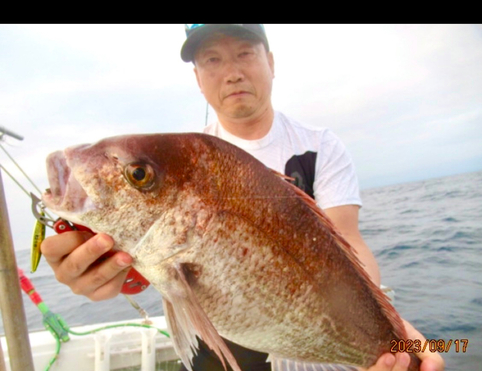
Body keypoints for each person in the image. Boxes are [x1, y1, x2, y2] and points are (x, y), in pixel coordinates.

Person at [41, 24, 445, 371]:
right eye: (212, 60)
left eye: (244, 53)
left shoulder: (320, 146)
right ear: (198, 79)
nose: (231, 72)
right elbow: (149, 267)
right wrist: (107, 270)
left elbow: (347, 240)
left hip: (312, 347)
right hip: (216, 355)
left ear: (271, 61)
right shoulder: (189, 158)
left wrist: (393, 336)